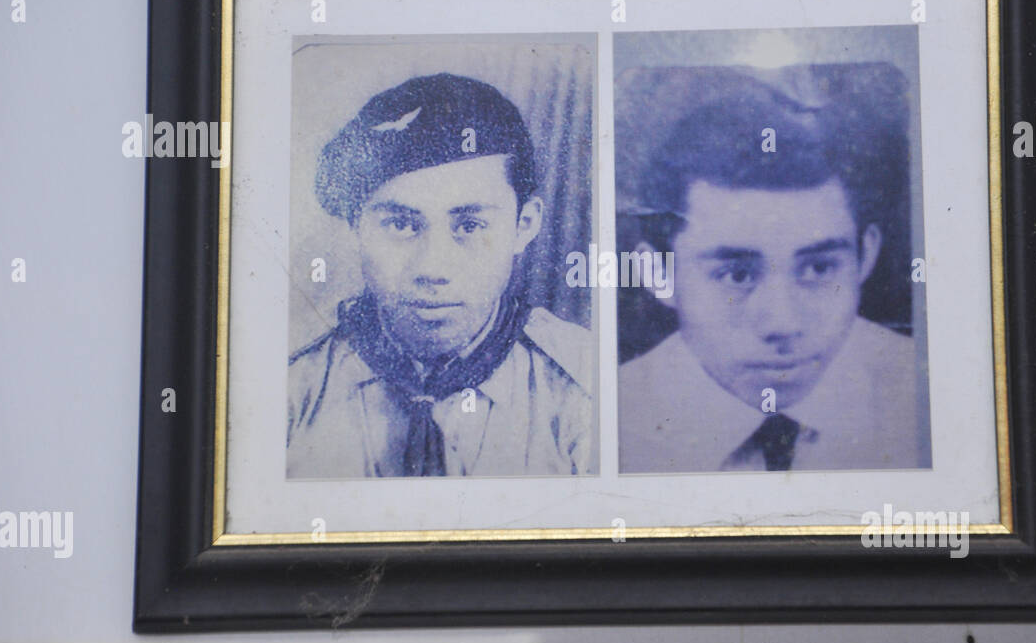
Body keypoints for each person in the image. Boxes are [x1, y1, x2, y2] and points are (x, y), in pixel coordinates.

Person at [618, 71, 928, 473]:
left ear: (865, 256)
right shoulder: (615, 422)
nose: (783, 324)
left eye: (818, 267)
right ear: (657, 273)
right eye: (737, 275)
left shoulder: (930, 397)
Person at [287, 72, 595, 478]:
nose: (432, 269)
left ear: (525, 225)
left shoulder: (586, 388)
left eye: (469, 226)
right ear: (355, 227)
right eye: (400, 225)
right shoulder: (291, 388)